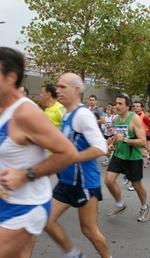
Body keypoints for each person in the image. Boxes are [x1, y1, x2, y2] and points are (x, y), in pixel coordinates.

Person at [0, 47, 78, 258]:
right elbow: (9, 156)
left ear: (11, 76)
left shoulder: (26, 112)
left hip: (28, 208)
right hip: (8, 203)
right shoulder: (3, 111)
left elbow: (68, 153)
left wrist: (25, 175)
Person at [44, 73, 112, 258]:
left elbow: (101, 146)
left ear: (76, 90)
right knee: (46, 220)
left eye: (62, 87)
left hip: (84, 183)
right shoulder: (67, 114)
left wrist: (72, 158)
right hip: (66, 182)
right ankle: (73, 254)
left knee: (89, 230)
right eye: (57, 86)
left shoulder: (83, 115)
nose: (57, 90)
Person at [105, 93, 150, 222]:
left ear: (128, 106)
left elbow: (142, 141)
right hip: (119, 155)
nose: (117, 106)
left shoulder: (134, 118)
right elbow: (117, 135)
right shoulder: (116, 118)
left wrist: (125, 140)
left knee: (137, 186)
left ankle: (144, 207)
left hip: (132, 158)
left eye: (120, 104)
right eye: (116, 103)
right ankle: (120, 204)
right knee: (108, 181)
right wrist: (112, 145)